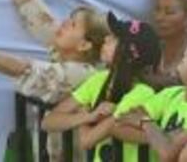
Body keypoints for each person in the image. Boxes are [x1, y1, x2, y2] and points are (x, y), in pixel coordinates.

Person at [42, 13, 161, 160]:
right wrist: (87, 116)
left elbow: (87, 140)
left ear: (128, 52)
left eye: (114, 38)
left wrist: (85, 114)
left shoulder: (142, 93)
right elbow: (49, 121)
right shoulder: (99, 79)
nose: (106, 38)